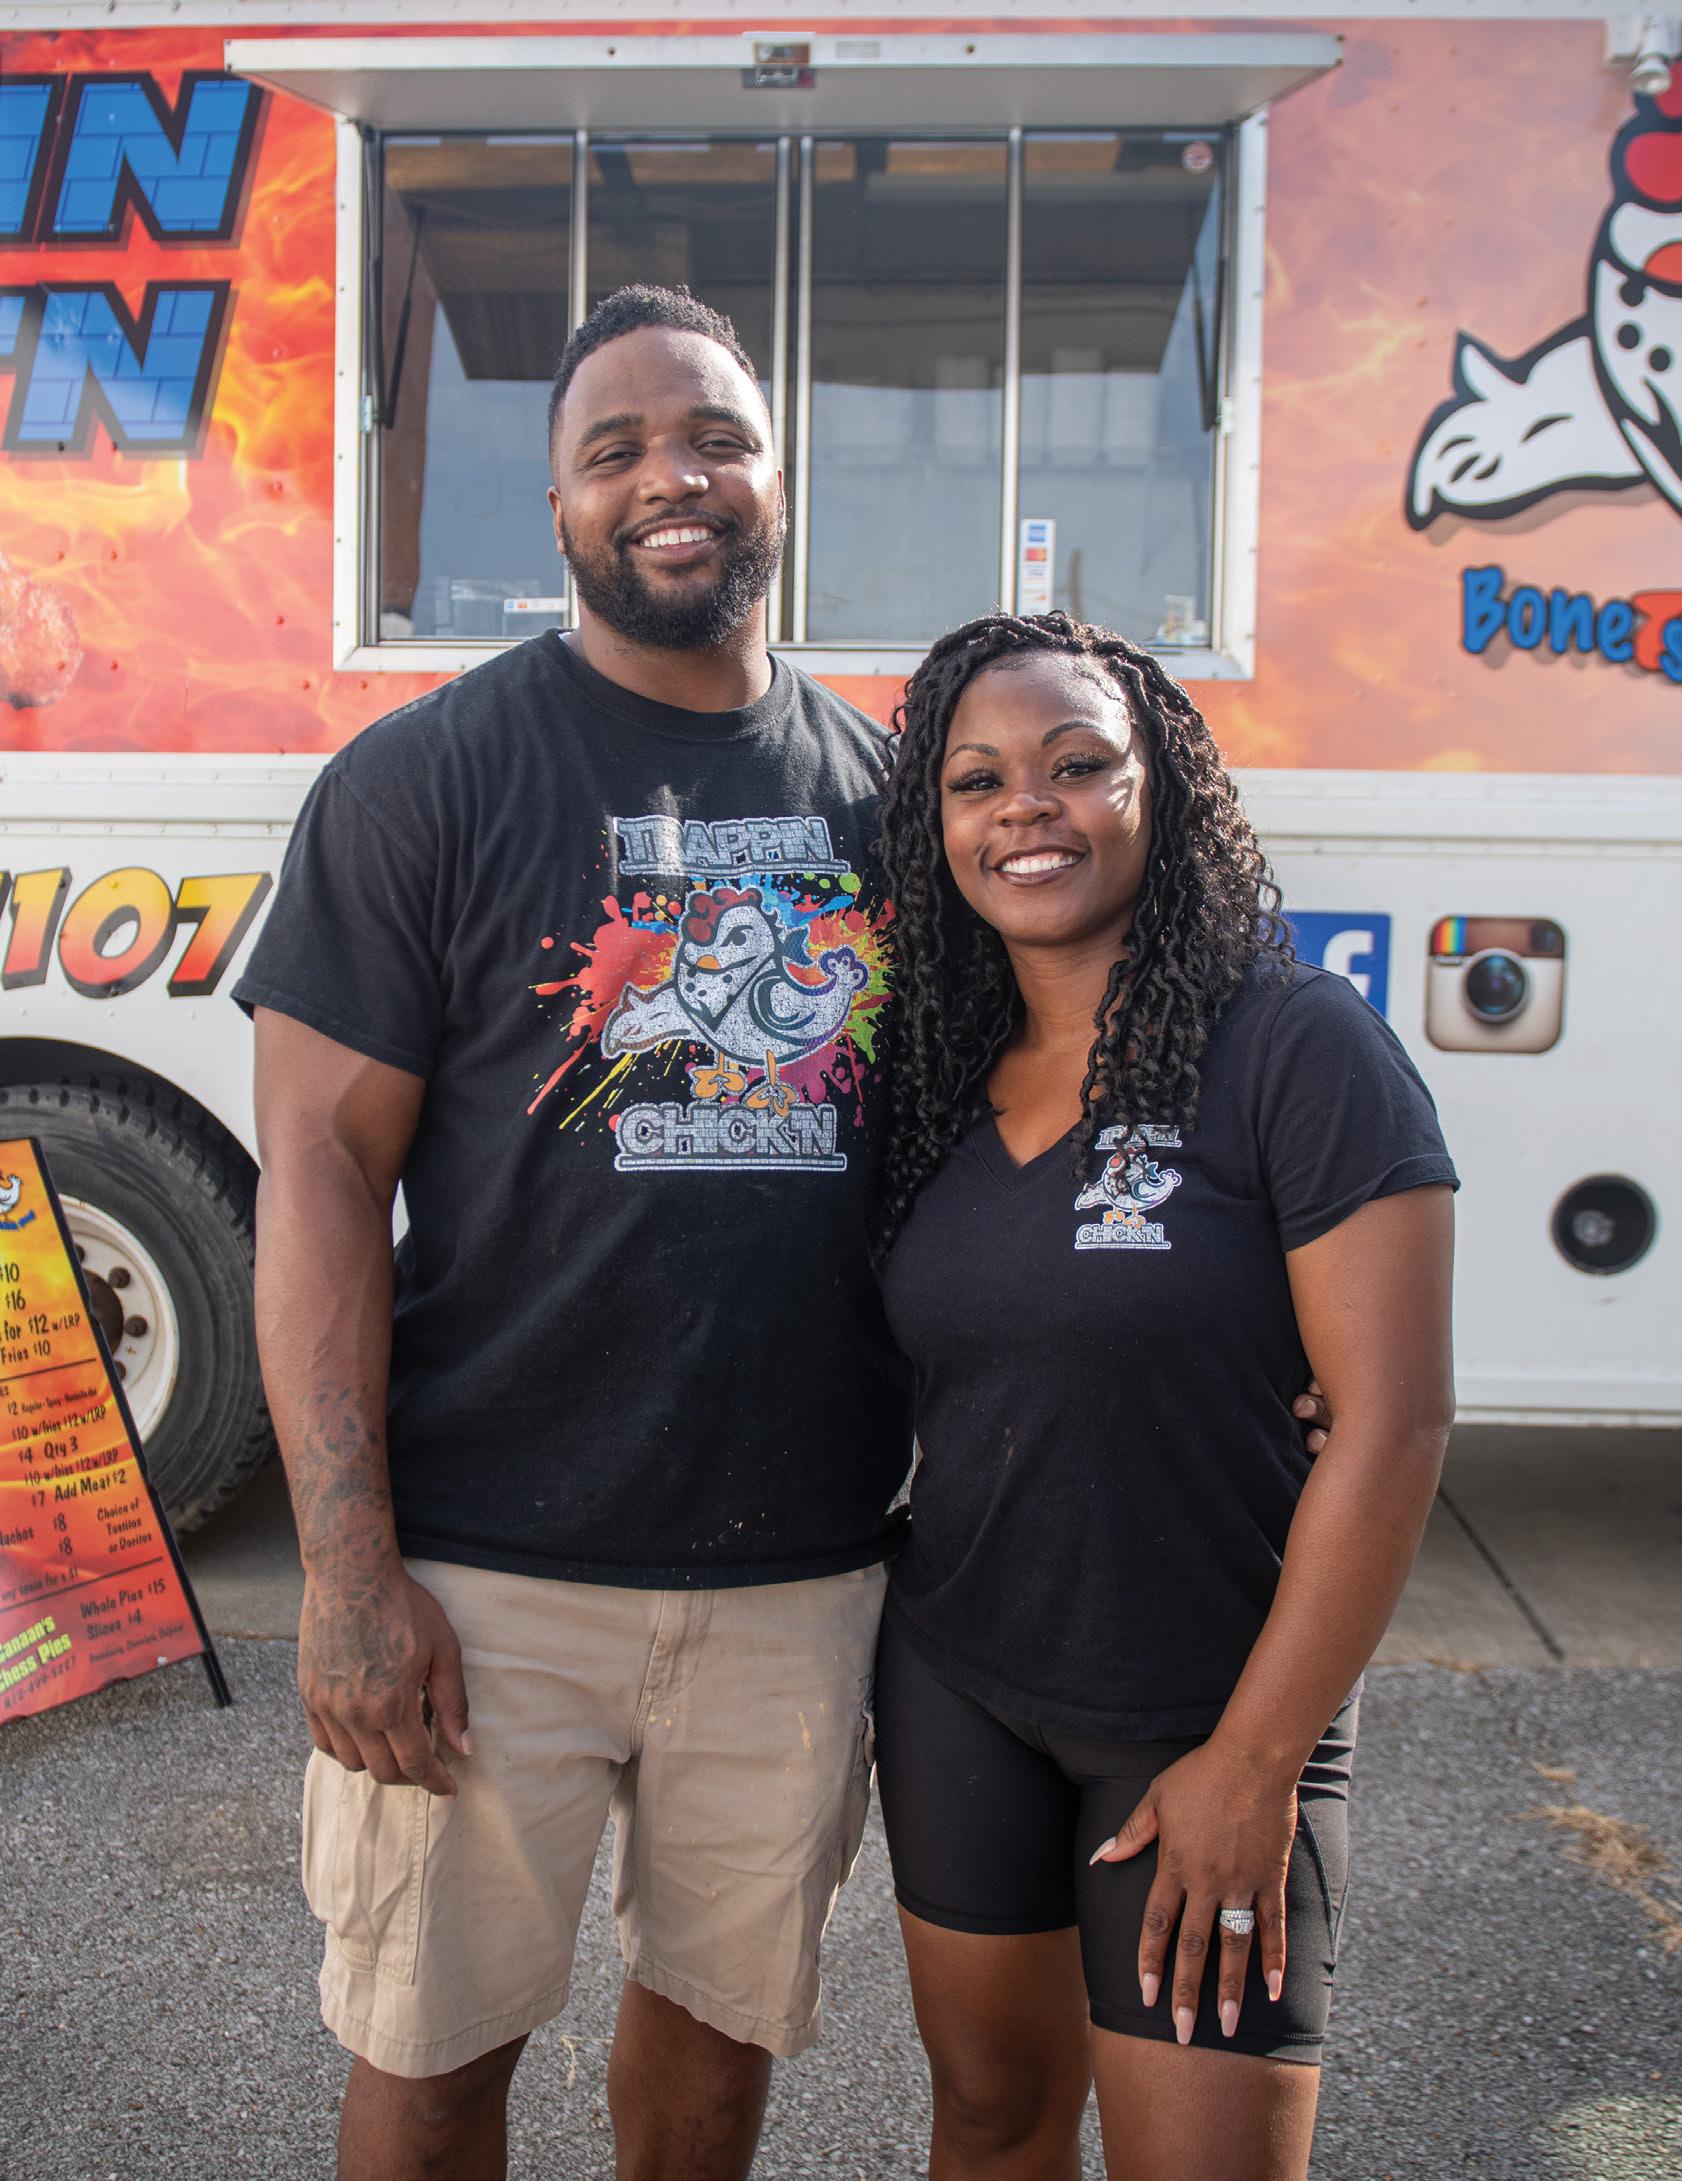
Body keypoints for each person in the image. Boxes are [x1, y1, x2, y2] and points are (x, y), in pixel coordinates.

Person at [235, 285, 915, 2181]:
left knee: (712, 2065)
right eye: (613, 450)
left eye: (713, 437)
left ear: (777, 475)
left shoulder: (886, 794)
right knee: (433, 2061)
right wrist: (347, 1570)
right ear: (555, 508)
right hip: (485, 1575)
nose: (668, 478)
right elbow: (318, 1171)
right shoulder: (425, 778)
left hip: (797, 1568)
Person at [870, 610, 1457, 2181]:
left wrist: (1255, 1762)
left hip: (1210, 1702)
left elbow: (1393, 1423)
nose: (1026, 807)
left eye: (1077, 764)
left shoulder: (1297, 1048)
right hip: (960, 1676)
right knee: (989, 2116)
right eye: (976, 779)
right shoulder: (935, 1068)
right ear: (935, 826)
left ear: (1161, 789)